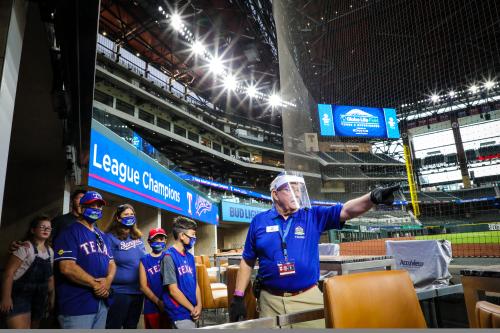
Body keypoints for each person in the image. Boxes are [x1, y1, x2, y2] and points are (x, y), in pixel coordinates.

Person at [229, 171, 400, 328]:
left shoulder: (312, 216)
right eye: (290, 189)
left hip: (308, 298)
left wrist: (372, 198)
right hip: (269, 301)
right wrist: (238, 296)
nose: (297, 194)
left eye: (299, 189)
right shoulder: (259, 221)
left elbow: (347, 210)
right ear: (275, 194)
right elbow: (247, 260)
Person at [53, 190, 116, 329]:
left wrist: (108, 281)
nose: (96, 209)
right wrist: (96, 284)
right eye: (92, 205)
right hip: (77, 304)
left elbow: (111, 263)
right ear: (82, 208)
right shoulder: (69, 232)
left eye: (99, 206)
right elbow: (67, 267)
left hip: (101, 302)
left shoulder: (102, 235)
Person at [0, 216, 55, 328]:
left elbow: (50, 277)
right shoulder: (25, 247)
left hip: (40, 298)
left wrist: (52, 296)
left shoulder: (50, 251)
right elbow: (9, 273)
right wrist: (6, 297)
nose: (46, 230)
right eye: (42, 227)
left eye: (48, 228)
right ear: (33, 230)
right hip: (20, 296)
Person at [104, 203, 146, 329]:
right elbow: (106, 263)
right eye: (126, 214)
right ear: (118, 218)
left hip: (138, 291)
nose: (130, 217)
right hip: (119, 292)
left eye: (132, 214)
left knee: (132, 326)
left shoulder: (138, 237)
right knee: (113, 326)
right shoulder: (109, 238)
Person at [7, 189, 86, 254]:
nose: (83, 202)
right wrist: (21, 244)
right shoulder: (60, 220)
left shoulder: (91, 225)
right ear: (72, 201)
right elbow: (41, 237)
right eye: (80, 198)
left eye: (85, 200)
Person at [161, 216, 202, 329]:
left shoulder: (190, 257)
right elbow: (173, 290)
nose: (194, 237)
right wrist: (191, 308)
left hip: (192, 310)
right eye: (192, 234)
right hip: (179, 312)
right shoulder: (169, 256)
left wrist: (199, 305)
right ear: (182, 236)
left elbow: (196, 284)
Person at [139, 227, 172, 329]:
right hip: (152, 307)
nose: (159, 242)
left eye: (161, 239)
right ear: (149, 241)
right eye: (155, 239)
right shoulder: (144, 260)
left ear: (165, 240)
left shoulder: (169, 256)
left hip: (169, 305)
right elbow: (143, 286)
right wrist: (158, 302)